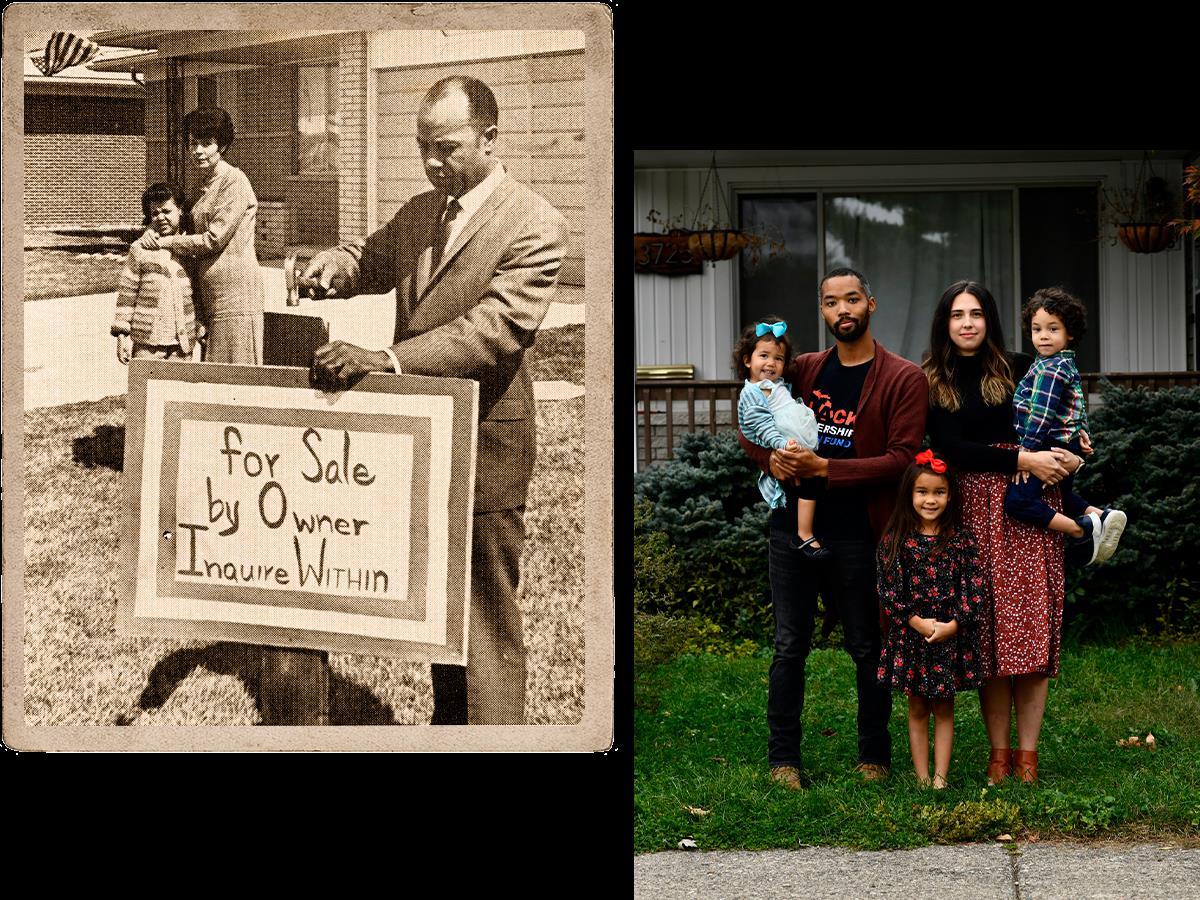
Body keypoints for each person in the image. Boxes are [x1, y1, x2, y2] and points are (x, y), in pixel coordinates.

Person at [300, 75, 569, 725]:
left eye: (445, 147)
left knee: (484, 610)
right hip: (416, 440)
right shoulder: (423, 210)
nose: (431, 162)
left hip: (485, 442)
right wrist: (335, 266)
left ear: (490, 138)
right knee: (441, 606)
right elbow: (371, 258)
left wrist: (386, 360)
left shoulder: (536, 223)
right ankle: (455, 733)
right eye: (423, 146)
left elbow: (494, 330)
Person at [738, 266, 928, 789]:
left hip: (858, 530)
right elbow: (751, 418)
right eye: (830, 302)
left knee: (866, 645)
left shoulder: (902, 377)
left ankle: (874, 756)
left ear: (871, 303)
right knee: (789, 645)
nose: (841, 310)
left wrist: (829, 470)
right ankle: (784, 761)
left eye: (851, 300)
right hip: (791, 527)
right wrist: (768, 460)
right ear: (821, 310)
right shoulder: (801, 368)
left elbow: (904, 458)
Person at [923, 280, 1085, 784]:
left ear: (989, 319)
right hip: (972, 509)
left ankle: (1028, 757)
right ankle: (998, 754)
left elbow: (1067, 419)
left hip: (1030, 506)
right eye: (957, 314)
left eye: (976, 313)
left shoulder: (1022, 366)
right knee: (990, 635)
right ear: (944, 323)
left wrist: (1074, 455)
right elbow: (950, 447)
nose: (967, 323)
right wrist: (1020, 456)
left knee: (1031, 632)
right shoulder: (932, 378)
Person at [876, 451, 985, 789]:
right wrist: (917, 622)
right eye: (922, 492)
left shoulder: (961, 542)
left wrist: (953, 625)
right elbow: (889, 590)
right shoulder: (896, 542)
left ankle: (941, 778)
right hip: (912, 637)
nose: (930, 499)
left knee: (944, 707)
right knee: (917, 707)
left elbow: (974, 591)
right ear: (909, 495)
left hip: (948, 638)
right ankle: (922, 777)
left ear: (950, 495)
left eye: (938, 492)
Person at [1006, 287, 1127, 564]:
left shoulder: (1050, 368)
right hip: (1065, 442)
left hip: (1046, 444)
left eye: (1053, 328)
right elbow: (1075, 403)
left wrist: (1026, 455)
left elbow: (1041, 414)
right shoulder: (1065, 364)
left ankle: (1082, 530)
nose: (1043, 336)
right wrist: (1081, 430)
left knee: (1018, 502)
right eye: (1037, 329)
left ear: (1069, 332)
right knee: (1060, 494)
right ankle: (1101, 516)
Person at [140, 106, 265, 365]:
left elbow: (212, 239)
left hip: (235, 295)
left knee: (235, 375)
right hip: (210, 295)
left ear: (222, 145)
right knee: (214, 375)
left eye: (206, 143)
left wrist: (162, 242)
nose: (197, 151)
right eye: (192, 143)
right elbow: (179, 225)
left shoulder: (234, 181)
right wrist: (152, 231)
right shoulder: (204, 186)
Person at [734, 317, 827, 558]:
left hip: (796, 445)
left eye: (778, 358)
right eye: (763, 356)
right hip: (784, 447)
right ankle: (804, 534)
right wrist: (782, 444)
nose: (770, 363)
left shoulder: (778, 385)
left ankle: (805, 531)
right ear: (747, 360)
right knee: (810, 483)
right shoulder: (752, 393)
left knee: (811, 484)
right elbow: (761, 426)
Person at [112, 182, 199, 363]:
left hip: (182, 344)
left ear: (180, 210)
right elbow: (127, 294)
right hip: (147, 342)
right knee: (144, 389)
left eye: (166, 211)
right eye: (155, 213)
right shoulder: (140, 249)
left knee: (177, 390)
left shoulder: (191, 249)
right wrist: (121, 335)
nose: (160, 217)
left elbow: (198, 292)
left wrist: (201, 324)